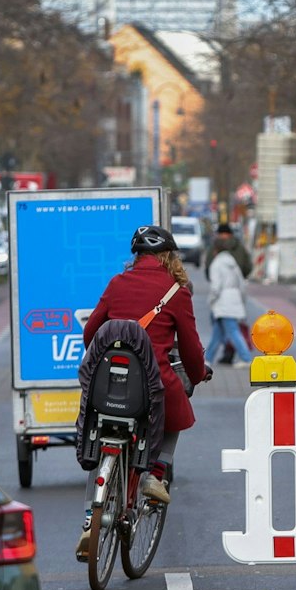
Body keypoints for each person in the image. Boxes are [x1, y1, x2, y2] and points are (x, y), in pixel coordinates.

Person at [77, 226, 210, 561]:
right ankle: (156, 474)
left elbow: (92, 332)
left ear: (136, 256)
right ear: (168, 256)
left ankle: (90, 521)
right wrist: (198, 374)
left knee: (103, 434)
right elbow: (191, 349)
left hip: (108, 384)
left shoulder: (117, 283)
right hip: (153, 385)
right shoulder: (176, 291)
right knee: (177, 411)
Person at [206, 231, 252, 367]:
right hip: (234, 299)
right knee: (218, 332)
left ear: (215, 250)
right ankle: (207, 358)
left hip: (222, 301)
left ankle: (246, 357)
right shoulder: (233, 263)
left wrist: (211, 300)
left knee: (232, 331)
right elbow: (242, 284)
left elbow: (216, 286)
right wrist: (242, 301)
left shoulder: (217, 264)